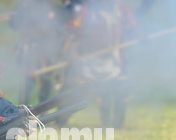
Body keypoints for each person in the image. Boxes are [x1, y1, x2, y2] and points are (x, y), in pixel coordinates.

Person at [56, 0, 138, 128]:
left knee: (121, 88)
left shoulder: (121, 10)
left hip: (114, 61)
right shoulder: (86, 12)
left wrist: (140, 36)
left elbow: (132, 28)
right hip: (89, 62)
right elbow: (71, 32)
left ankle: (117, 124)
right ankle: (60, 121)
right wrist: (73, 55)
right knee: (74, 91)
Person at [9, 0, 64, 106]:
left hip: (47, 47)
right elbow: (13, 24)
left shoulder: (52, 5)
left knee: (46, 79)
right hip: (29, 47)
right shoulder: (23, 4)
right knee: (28, 80)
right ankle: (23, 110)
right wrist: (20, 16)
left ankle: (43, 109)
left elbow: (60, 25)